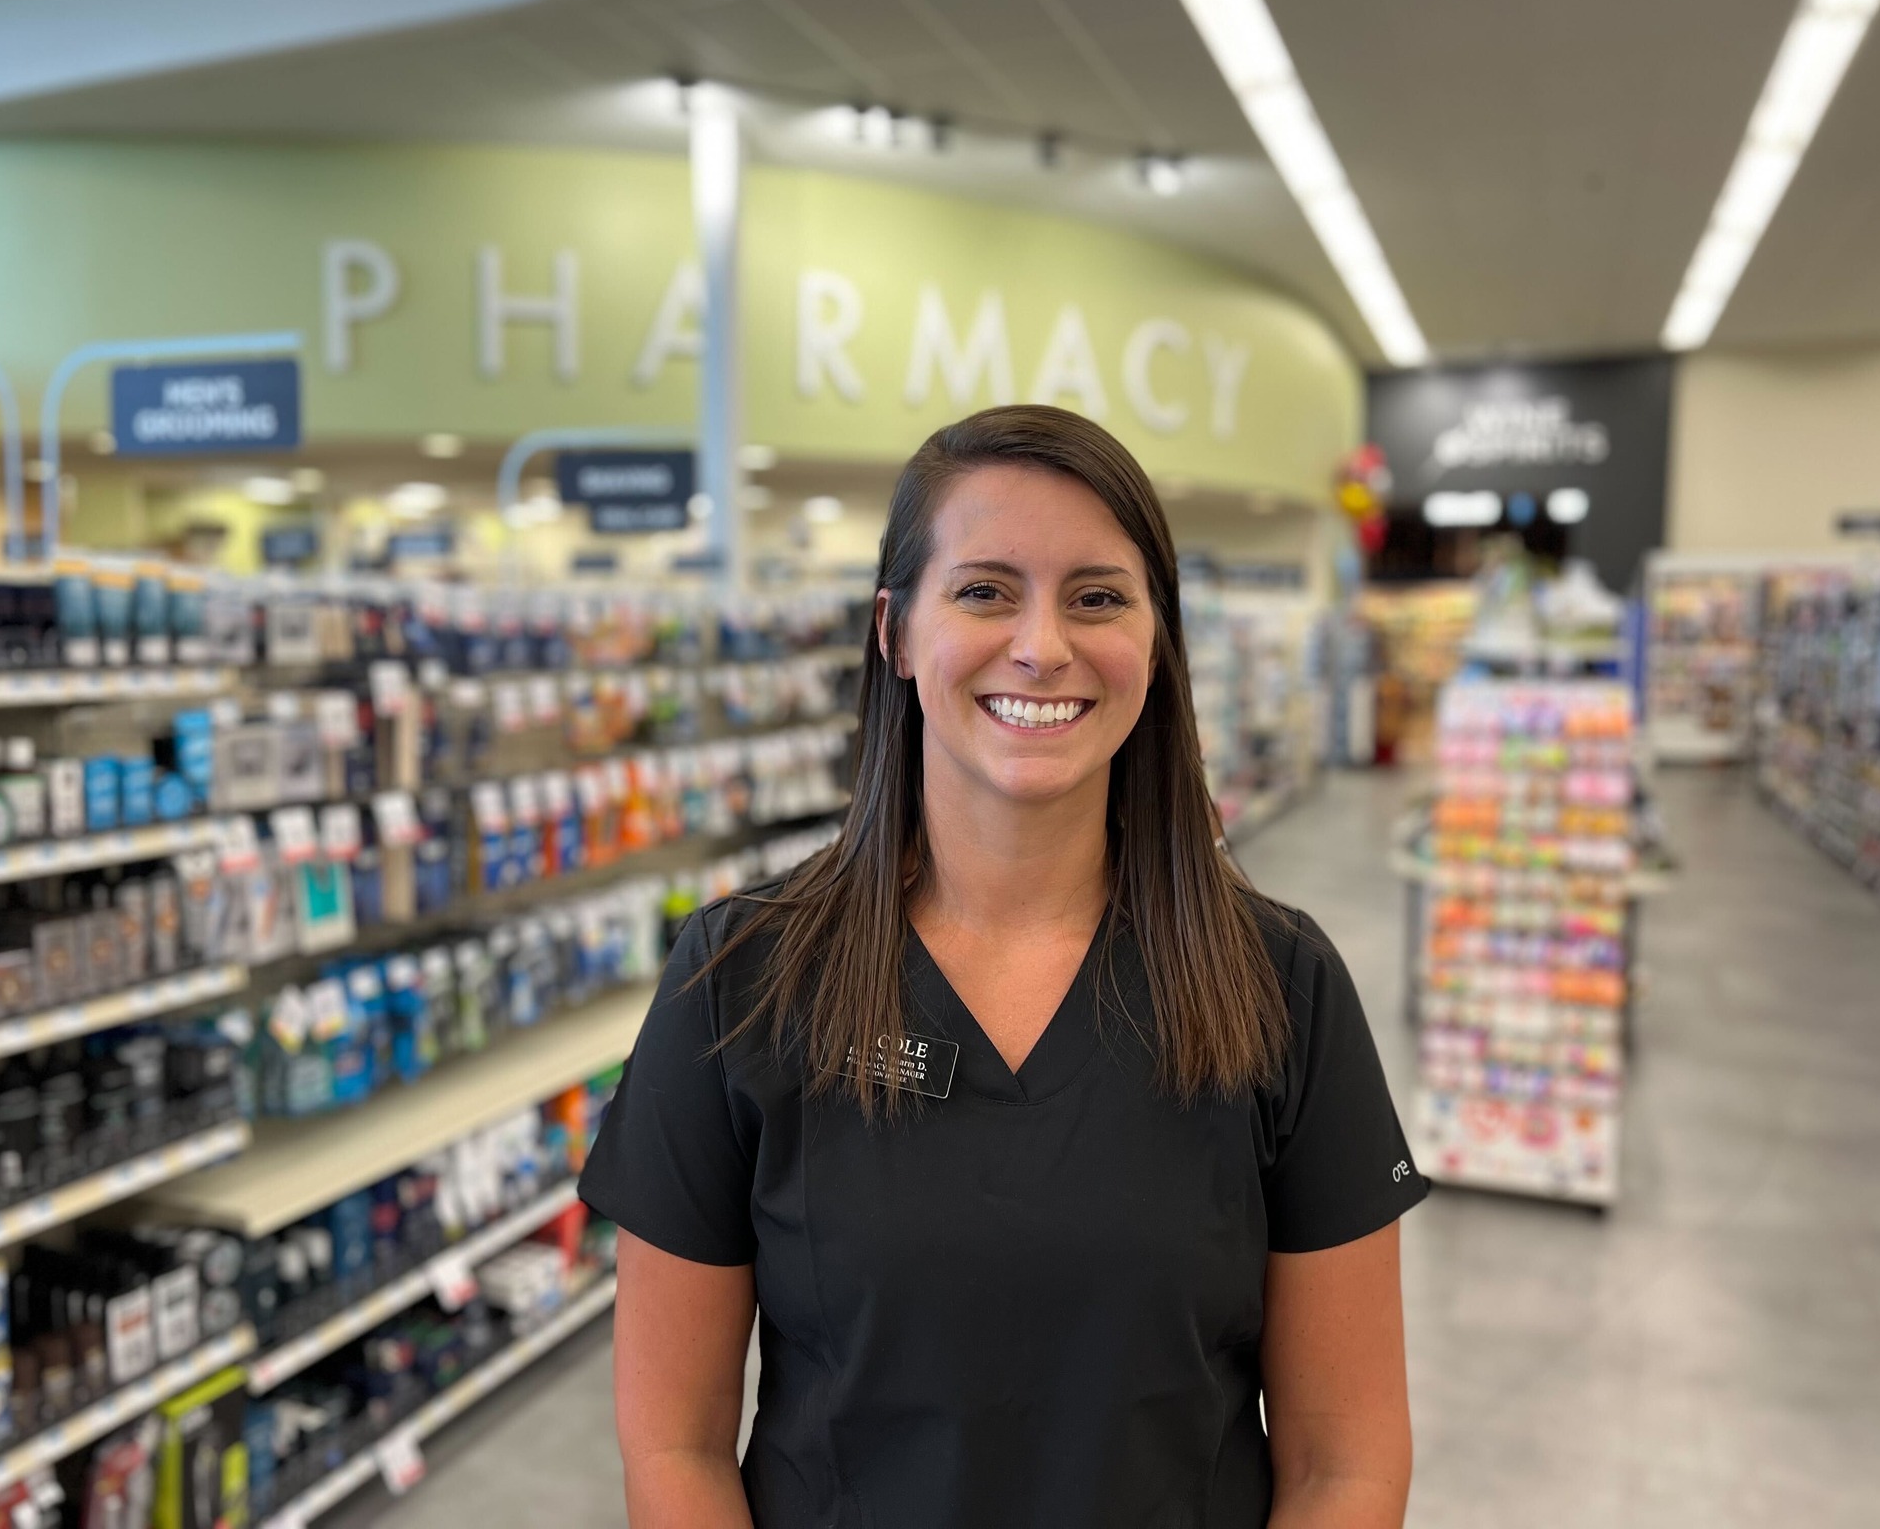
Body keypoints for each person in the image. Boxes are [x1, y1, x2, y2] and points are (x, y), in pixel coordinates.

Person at [580, 405, 1428, 1528]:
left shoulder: (1278, 985)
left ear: (1158, 641)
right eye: (984, 591)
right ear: (893, 632)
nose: (1042, 646)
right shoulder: (739, 981)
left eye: (1097, 598)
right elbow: (673, 1445)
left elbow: (1345, 1464)